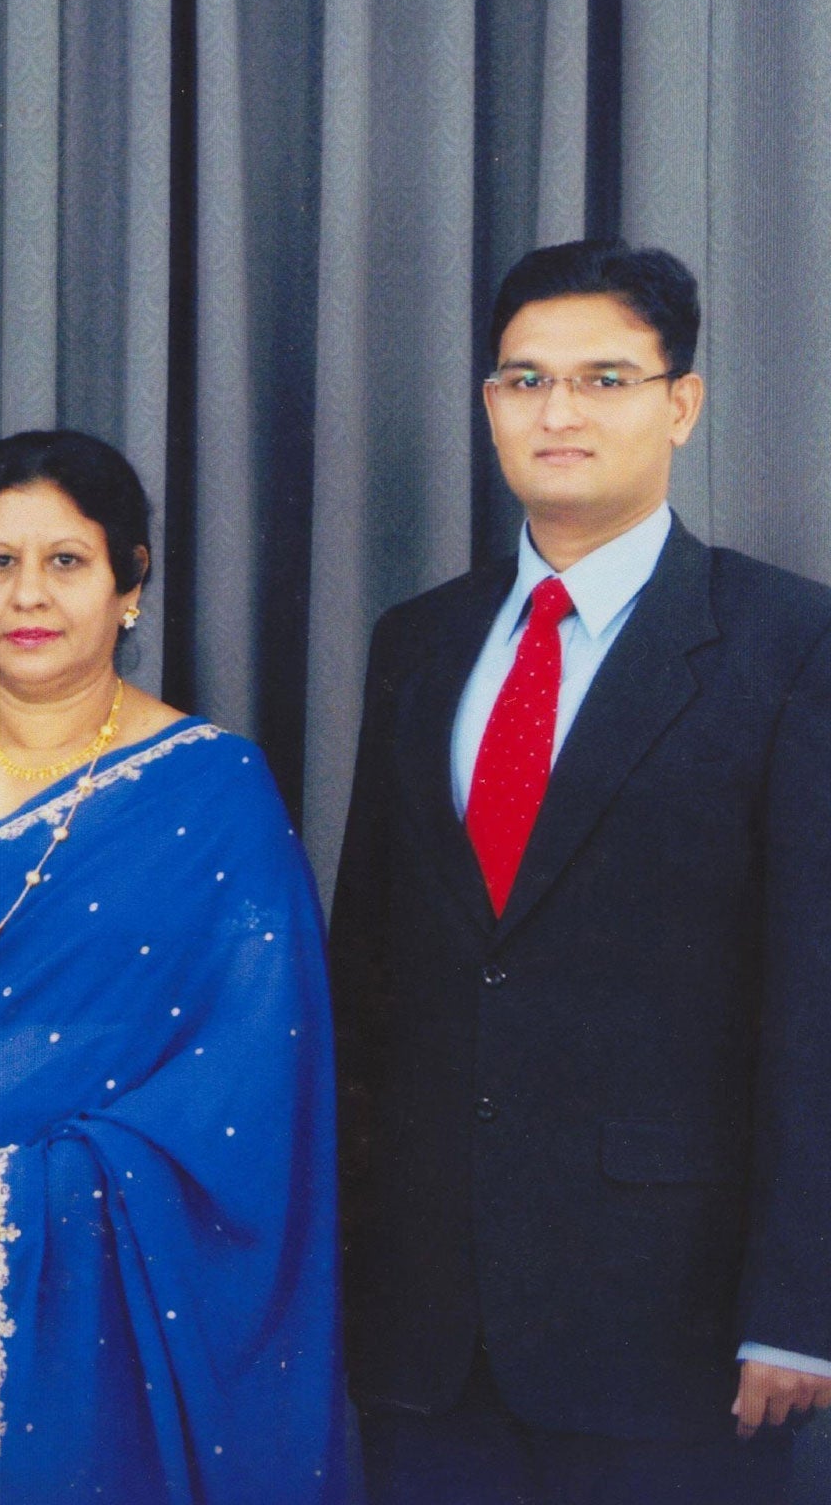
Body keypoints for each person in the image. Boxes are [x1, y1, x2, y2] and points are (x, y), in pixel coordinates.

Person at [331, 238, 831, 1504]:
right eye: (520, 379)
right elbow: (368, 978)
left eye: (604, 378)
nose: (556, 412)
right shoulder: (418, 641)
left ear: (680, 404)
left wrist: (796, 1308)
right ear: (488, 404)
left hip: (675, 1328)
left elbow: (814, 1000)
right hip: (424, 1329)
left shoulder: (787, 643)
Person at [0, 430, 356, 1504]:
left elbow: (254, 1071)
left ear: (129, 581)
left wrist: (36, 1197)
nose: (26, 595)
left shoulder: (217, 786)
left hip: (130, 1259)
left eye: (65, 561)